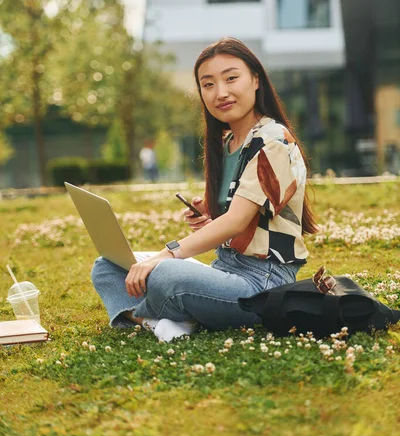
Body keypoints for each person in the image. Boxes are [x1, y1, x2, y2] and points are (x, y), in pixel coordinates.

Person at [91, 38, 318, 341]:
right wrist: (211, 215)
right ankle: (157, 322)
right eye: (208, 84)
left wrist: (166, 255)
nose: (220, 92)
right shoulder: (230, 143)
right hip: (225, 269)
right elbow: (242, 221)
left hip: (262, 284)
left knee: (165, 274)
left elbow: (236, 221)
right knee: (108, 266)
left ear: (255, 80)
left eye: (231, 78)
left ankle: (151, 315)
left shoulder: (273, 139)